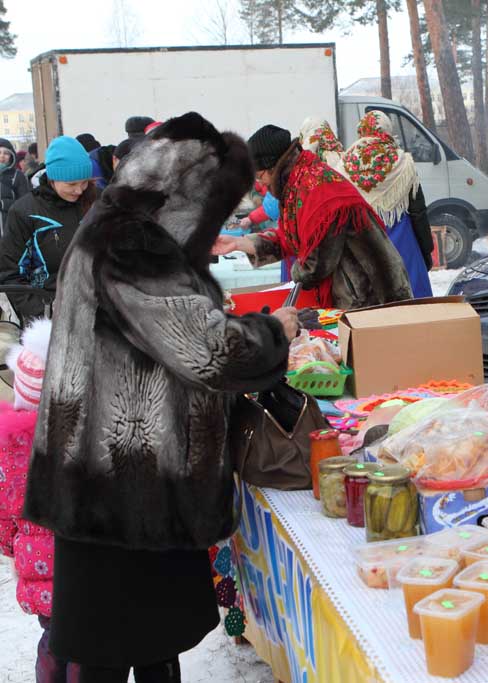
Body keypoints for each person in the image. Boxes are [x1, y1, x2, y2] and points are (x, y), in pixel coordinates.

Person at [22, 112, 298, 683]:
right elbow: (206, 348)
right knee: (113, 648)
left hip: (121, 479)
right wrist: (276, 332)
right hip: (123, 484)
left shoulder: (117, 226)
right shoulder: (130, 243)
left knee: (145, 645)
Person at [212, 124, 412, 309]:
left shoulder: (318, 191)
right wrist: (238, 243)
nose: (261, 183)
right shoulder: (297, 183)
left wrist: (294, 277)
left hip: (373, 297)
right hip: (357, 294)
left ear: (272, 166)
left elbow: (315, 266)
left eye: (260, 175)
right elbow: (289, 237)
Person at [0, 318, 76, 683]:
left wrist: (12, 548)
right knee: (83, 645)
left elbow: (2, 511)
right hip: (81, 567)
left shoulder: (9, 450)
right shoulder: (76, 444)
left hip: (35, 565)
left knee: (52, 638)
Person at [332, 112, 433, 298]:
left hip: (364, 250)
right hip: (404, 248)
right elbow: (418, 212)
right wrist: (426, 251)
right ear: (388, 130)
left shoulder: (343, 165)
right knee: (414, 310)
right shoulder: (403, 163)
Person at [0, 136, 96, 323]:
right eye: (71, 184)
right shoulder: (25, 212)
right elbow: (10, 274)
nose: (79, 190)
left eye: (84, 182)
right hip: (51, 314)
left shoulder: (98, 203)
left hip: (99, 311)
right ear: (52, 178)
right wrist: (43, 314)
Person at [0, 137, 31, 235]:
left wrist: (3, 204)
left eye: (6, 153)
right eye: (0, 152)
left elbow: (25, 204)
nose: (2, 156)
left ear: (11, 156)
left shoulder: (18, 176)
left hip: (10, 231)